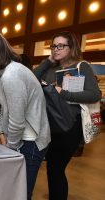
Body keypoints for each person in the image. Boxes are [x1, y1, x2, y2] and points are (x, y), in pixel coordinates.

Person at [0, 30, 51, 200]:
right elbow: (5, 108)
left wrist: (11, 150)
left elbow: (17, 120)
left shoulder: (11, 74)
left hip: (31, 142)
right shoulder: (6, 73)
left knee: (20, 194)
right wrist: (2, 132)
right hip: (22, 140)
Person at [34, 31, 101, 200]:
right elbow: (31, 79)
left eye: (60, 46)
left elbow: (94, 95)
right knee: (53, 168)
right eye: (53, 46)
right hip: (52, 123)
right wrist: (47, 62)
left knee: (56, 168)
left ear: (71, 47)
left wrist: (63, 93)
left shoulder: (81, 66)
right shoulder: (51, 67)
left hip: (71, 125)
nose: (56, 49)